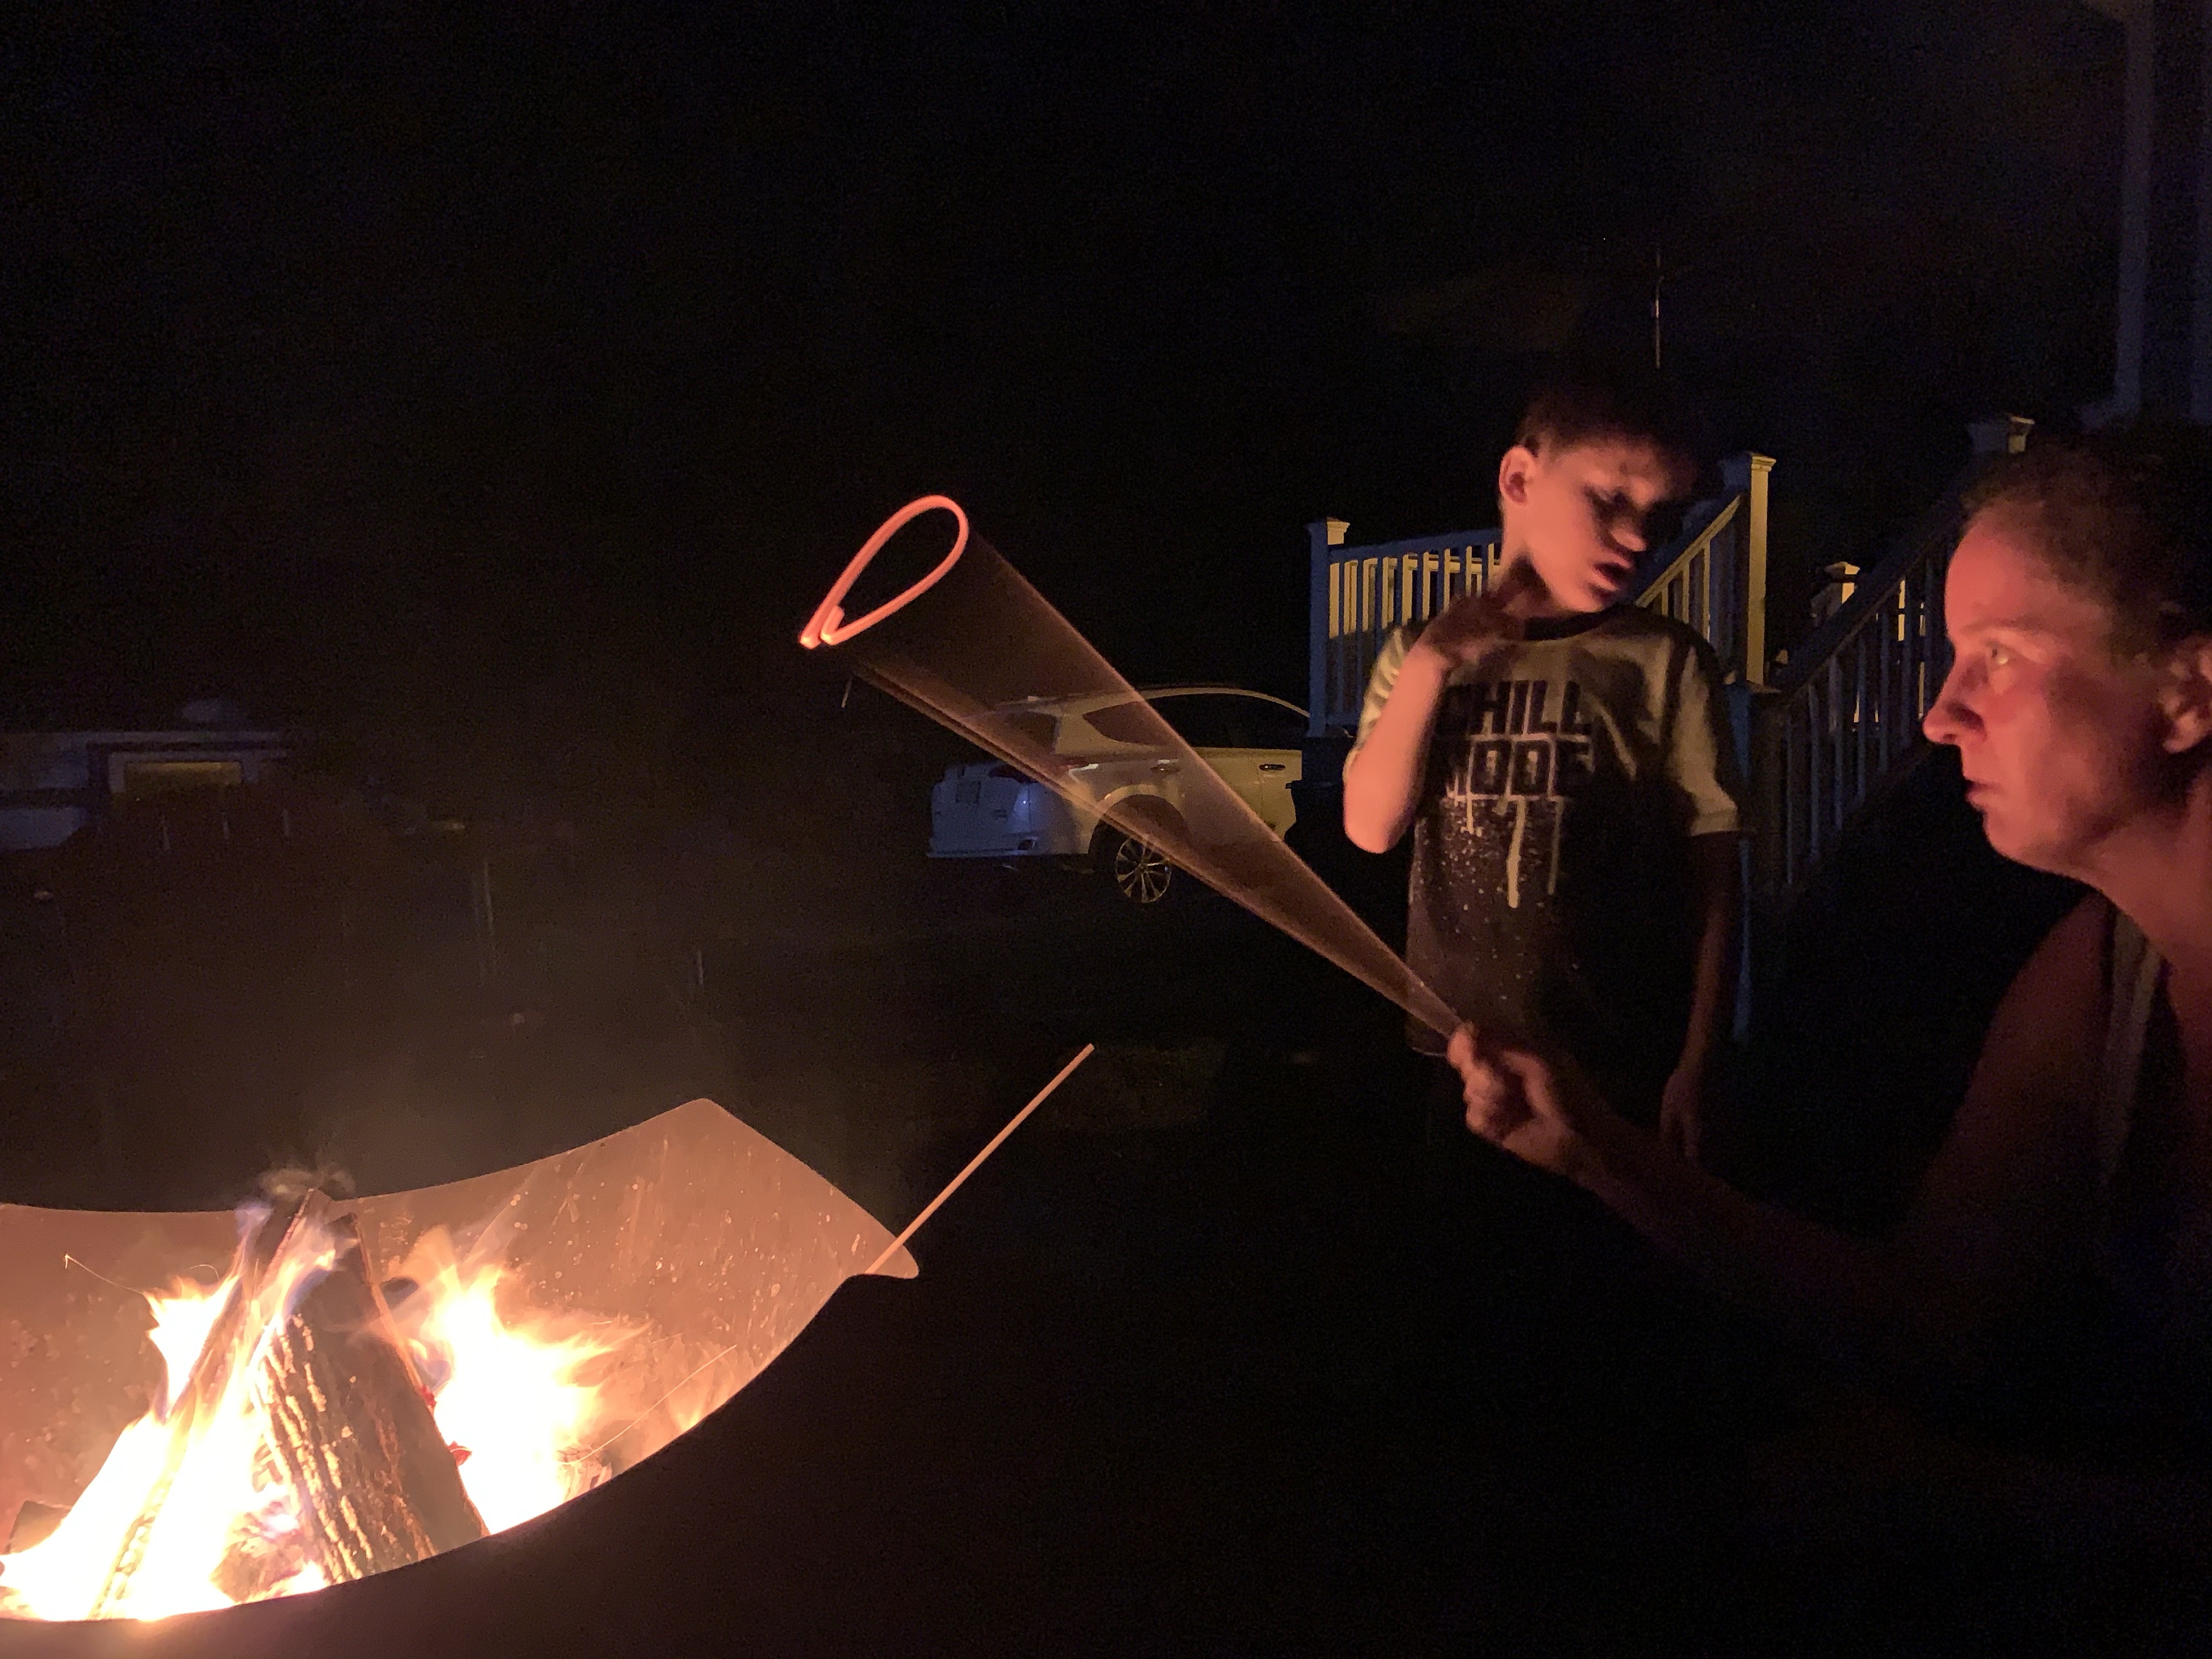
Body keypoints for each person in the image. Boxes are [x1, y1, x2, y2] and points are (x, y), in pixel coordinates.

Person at [1448, 422, 2212, 1453]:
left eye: (1998, 656)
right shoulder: (2107, 974)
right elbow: (1937, 1316)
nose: (1940, 716)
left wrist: (1969, 1511)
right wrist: (1597, 1151)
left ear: (2188, 691)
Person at [1342, 360, 1742, 1161]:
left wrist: (1700, 1058)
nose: (1640, 538)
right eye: (1610, 498)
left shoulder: (1664, 663)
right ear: (1520, 478)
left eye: (1661, 516)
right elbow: (1371, 829)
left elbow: (1715, 876)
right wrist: (1430, 666)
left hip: (1617, 1064)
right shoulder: (1419, 654)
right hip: (1460, 1063)